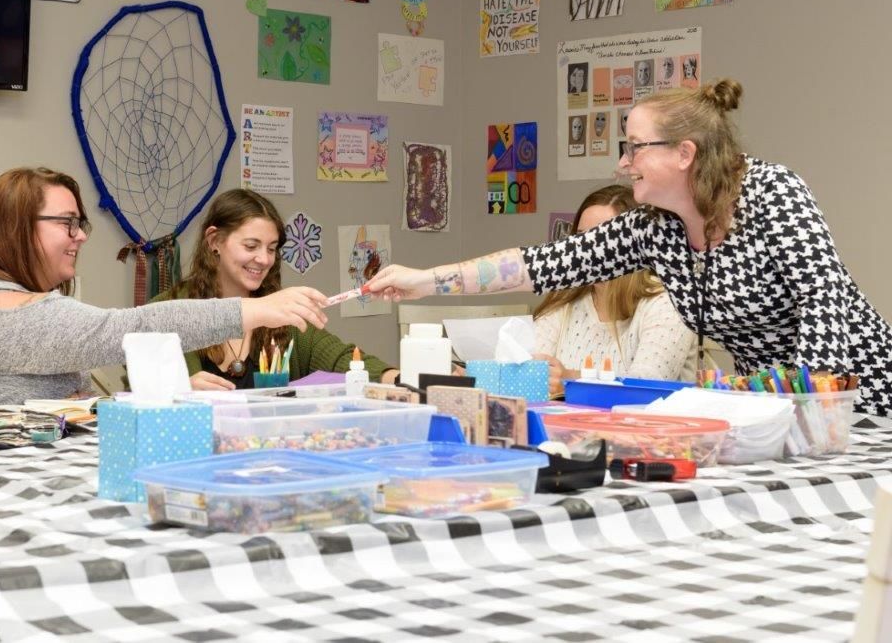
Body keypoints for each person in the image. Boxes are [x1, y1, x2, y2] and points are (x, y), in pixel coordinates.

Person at [367, 79, 892, 415]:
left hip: (861, 400)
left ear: (685, 153)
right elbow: (540, 265)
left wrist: (807, 412)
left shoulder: (771, 191)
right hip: (782, 410)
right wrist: (425, 279)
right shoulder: (655, 227)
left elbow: (826, 305)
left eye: (635, 147)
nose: (624, 163)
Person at [0, 168, 327, 419]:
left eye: (81, 224)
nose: (80, 237)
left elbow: (58, 407)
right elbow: (126, 330)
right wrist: (252, 311)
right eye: (67, 224)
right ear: (16, 228)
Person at [151, 189, 399, 390]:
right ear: (215, 241)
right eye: (251, 246)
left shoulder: (280, 316)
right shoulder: (166, 312)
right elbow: (145, 387)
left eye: (271, 248)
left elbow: (343, 359)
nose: (264, 259)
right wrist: (178, 390)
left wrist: (398, 380)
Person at [531, 185, 696, 396]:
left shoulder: (670, 303)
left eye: (601, 240)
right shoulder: (563, 298)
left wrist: (568, 380)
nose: (586, 252)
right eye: (581, 238)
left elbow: (644, 388)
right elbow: (532, 369)